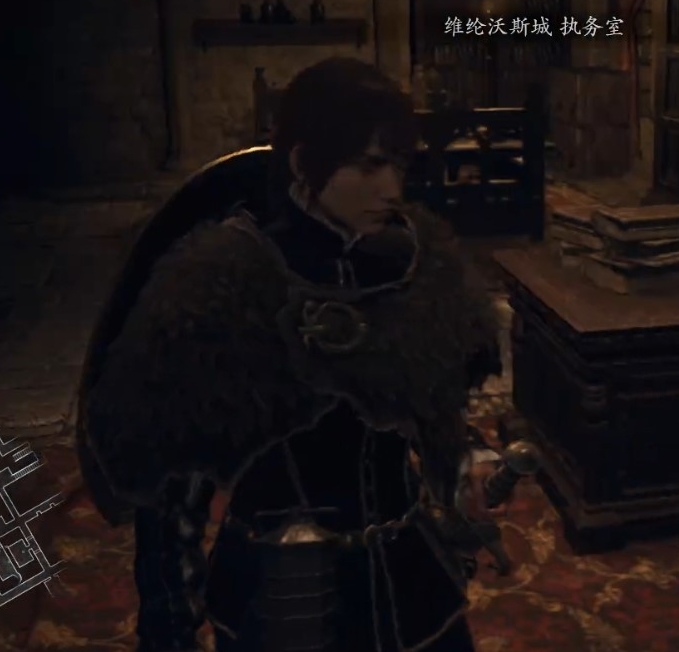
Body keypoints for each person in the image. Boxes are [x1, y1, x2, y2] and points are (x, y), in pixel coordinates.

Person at [77, 57, 505, 652]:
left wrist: (464, 462)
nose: (391, 189)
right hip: (281, 597)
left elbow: (436, 412)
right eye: (369, 166)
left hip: (411, 588)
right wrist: (171, 629)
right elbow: (172, 498)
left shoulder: (413, 267)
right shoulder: (228, 286)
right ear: (304, 164)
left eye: (398, 165)